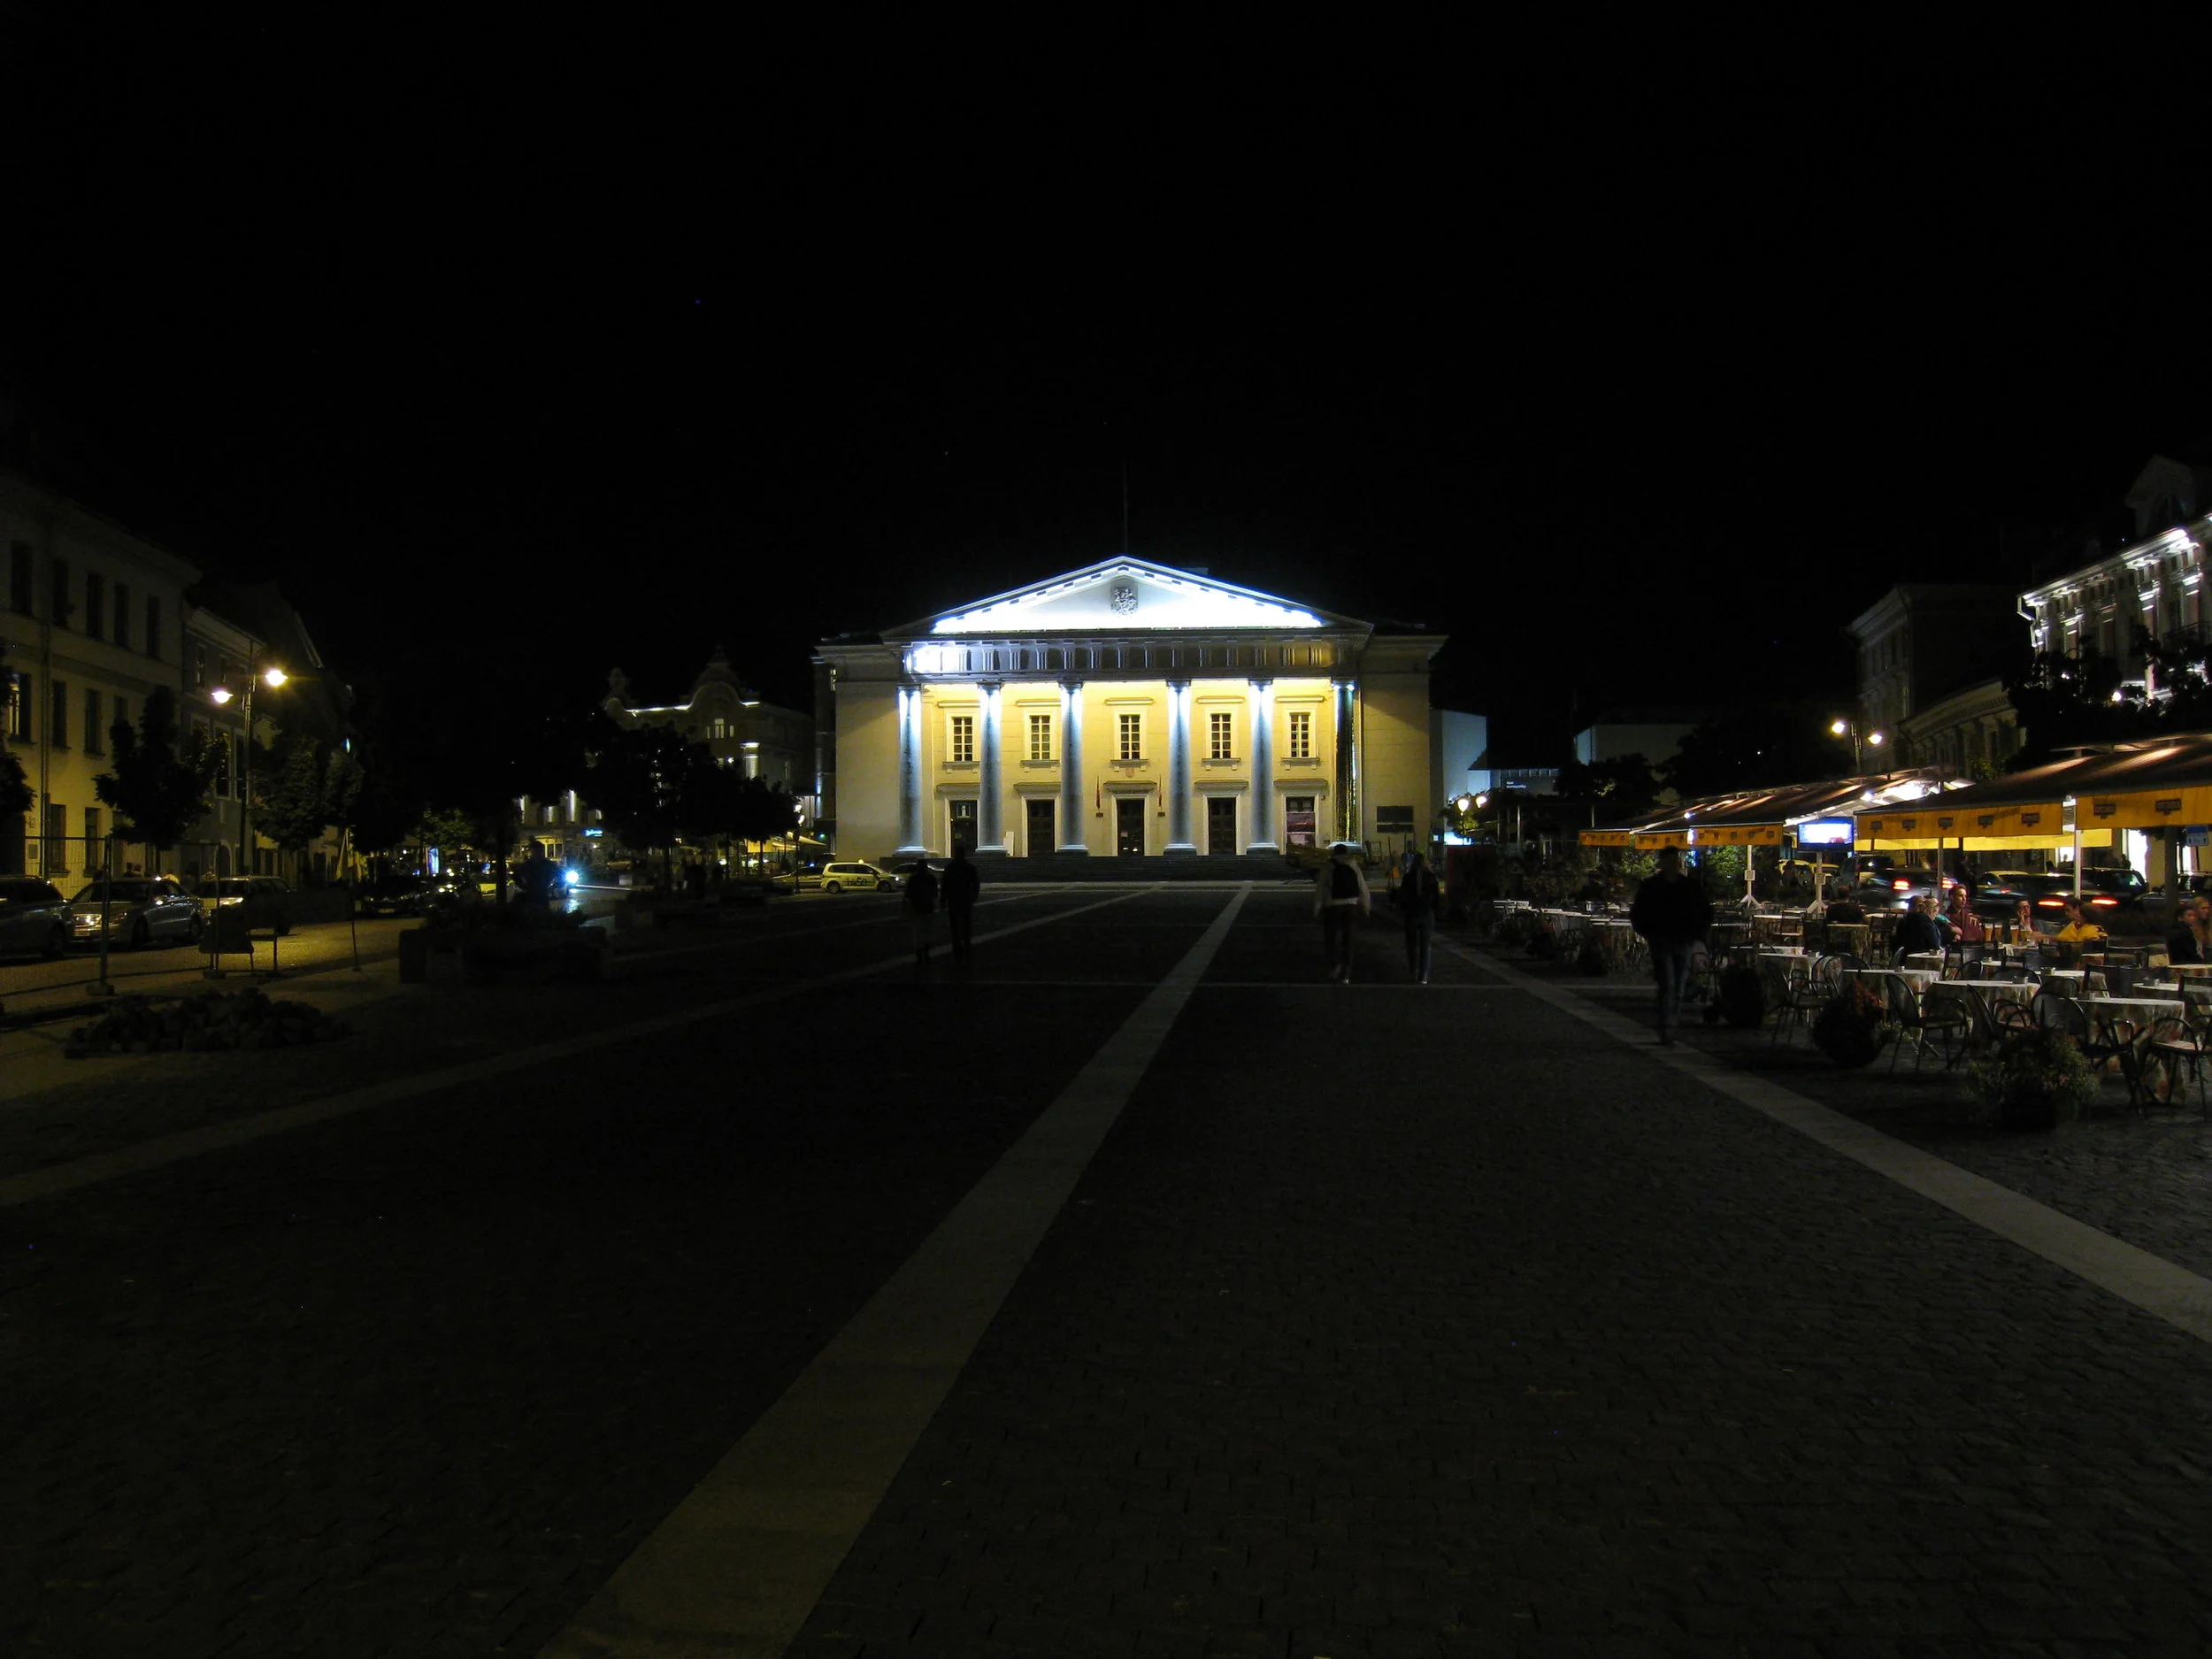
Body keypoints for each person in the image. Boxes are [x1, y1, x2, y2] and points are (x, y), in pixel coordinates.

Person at [1629, 845, 1711, 1045]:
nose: (1674, 865)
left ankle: (1670, 1025)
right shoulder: (1652, 887)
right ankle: (1667, 1026)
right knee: (1668, 984)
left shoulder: (1689, 887)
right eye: (1671, 861)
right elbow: (1638, 913)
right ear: (1663, 863)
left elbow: (1704, 911)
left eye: (1676, 861)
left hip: (1683, 940)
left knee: (1679, 985)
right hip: (1662, 940)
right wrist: (1649, 934)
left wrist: (1697, 934)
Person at [1314, 842, 1371, 983]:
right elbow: (1362, 887)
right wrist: (1366, 906)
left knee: (1330, 938)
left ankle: (1334, 965)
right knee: (1349, 940)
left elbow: (1320, 888)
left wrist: (1317, 908)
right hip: (1351, 905)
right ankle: (1346, 974)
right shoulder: (1352, 864)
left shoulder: (1327, 865)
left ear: (1334, 853)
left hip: (1332, 906)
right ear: (1346, 853)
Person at [1396, 849, 1441, 984]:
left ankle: (1413, 972)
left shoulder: (1408, 877)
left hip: (1412, 913)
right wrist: (1434, 909)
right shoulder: (1431, 877)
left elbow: (1402, 896)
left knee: (1411, 945)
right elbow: (1437, 897)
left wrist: (1403, 908)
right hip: (1426, 912)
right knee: (1425, 945)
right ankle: (1423, 975)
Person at [941, 844, 980, 961]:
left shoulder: (950, 868)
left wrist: (943, 899)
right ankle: (966, 945)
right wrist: (973, 896)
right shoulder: (969, 867)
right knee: (966, 924)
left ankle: (957, 946)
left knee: (955, 925)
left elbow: (944, 885)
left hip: (954, 899)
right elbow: (976, 884)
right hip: (965, 899)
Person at [903, 856, 941, 970]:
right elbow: (935, 893)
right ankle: (926, 952)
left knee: (917, 932)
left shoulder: (913, 878)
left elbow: (908, 894)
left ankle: (919, 953)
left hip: (916, 908)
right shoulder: (931, 878)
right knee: (927, 931)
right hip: (928, 907)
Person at [1892, 894, 1951, 963]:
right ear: (1930, 911)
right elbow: (1934, 945)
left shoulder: (1906, 919)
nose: (1936, 916)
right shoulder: (1926, 922)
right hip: (1922, 959)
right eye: (1936, 913)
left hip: (1904, 957)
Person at [2166, 895, 2205, 966]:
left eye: (2194, 916)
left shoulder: (2178, 929)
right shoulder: (2183, 932)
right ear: (2180, 918)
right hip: (2184, 964)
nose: (2193, 918)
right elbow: (2190, 953)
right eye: (2189, 916)